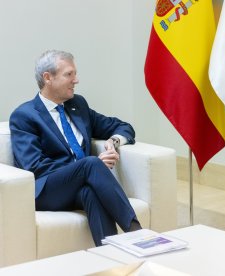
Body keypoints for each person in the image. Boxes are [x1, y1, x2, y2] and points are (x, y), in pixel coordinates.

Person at [9, 50, 142, 246]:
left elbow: (123, 126)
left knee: (91, 192)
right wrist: (84, 168)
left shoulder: (77, 105)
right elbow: (34, 166)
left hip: (79, 186)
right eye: (69, 74)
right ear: (48, 78)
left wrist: (113, 142)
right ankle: (137, 232)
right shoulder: (25, 116)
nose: (76, 80)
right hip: (46, 190)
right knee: (90, 164)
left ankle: (112, 258)